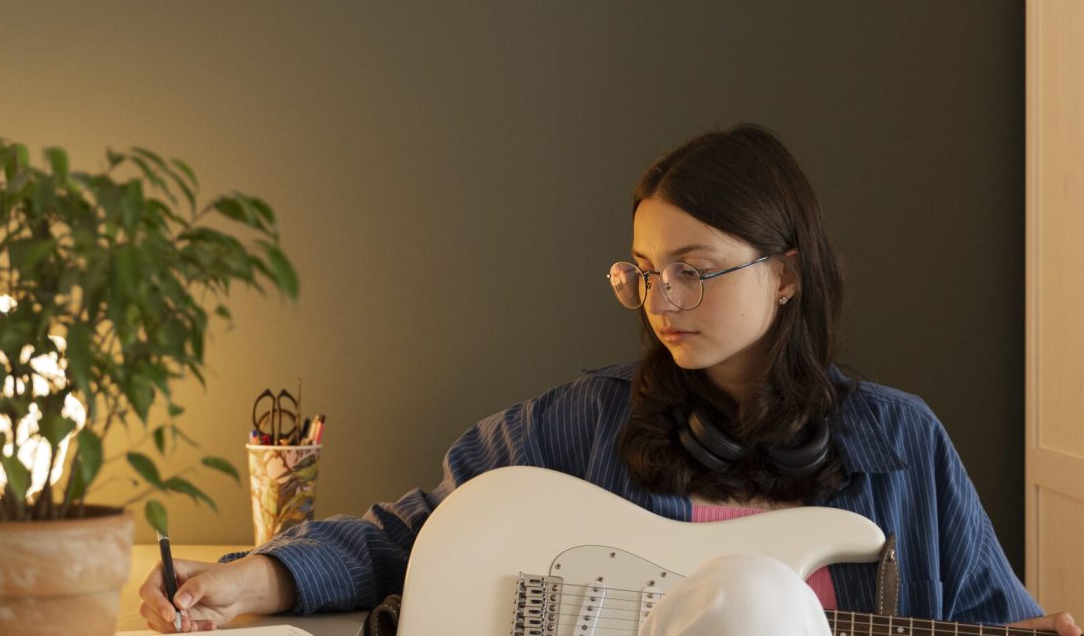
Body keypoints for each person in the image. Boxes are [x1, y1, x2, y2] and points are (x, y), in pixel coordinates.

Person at [139, 125, 1079, 635]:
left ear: (787, 275)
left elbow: (996, 623)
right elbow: (412, 532)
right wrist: (260, 575)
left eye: (696, 268)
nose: (661, 298)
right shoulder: (589, 420)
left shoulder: (900, 442)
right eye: (643, 270)